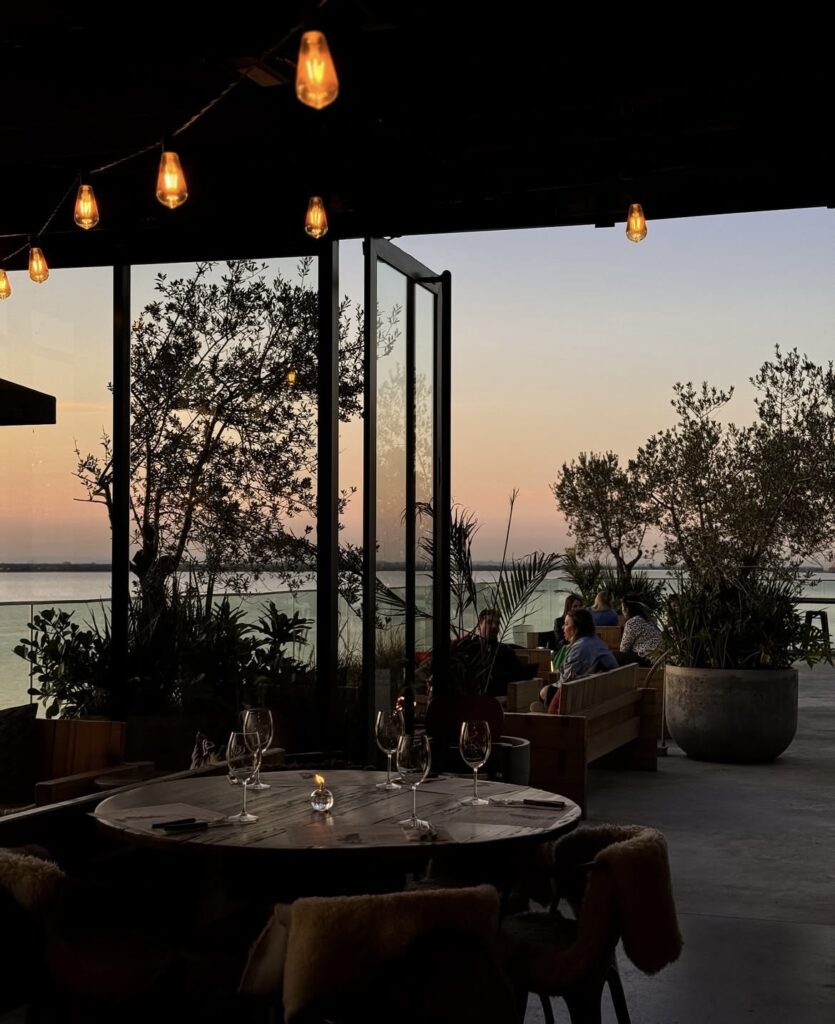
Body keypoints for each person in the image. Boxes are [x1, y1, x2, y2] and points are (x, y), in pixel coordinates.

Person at [540, 606, 618, 710]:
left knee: (544, 692)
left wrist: (548, 689)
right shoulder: (595, 641)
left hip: (587, 696)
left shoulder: (579, 648)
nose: (563, 627)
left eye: (566, 624)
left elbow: (566, 683)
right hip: (603, 690)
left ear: (576, 628)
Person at [454, 608, 537, 698]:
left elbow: (520, 674)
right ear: (479, 626)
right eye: (489, 622)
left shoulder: (506, 651)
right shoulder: (468, 648)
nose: (494, 626)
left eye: (497, 623)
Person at [617, 597, 664, 667]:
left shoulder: (632, 622)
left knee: (613, 656)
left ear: (626, 609)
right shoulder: (649, 620)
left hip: (646, 659)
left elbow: (624, 649)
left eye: (622, 607)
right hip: (658, 658)